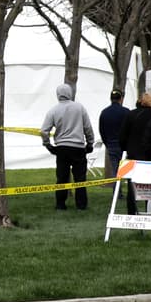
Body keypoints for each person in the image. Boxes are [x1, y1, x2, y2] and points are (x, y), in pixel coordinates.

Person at [39, 83, 95, 211]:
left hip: (62, 148)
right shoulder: (80, 108)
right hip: (78, 148)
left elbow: (43, 131)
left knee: (62, 178)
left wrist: (48, 145)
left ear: (58, 94)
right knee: (80, 178)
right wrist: (90, 143)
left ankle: (60, 204)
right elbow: (87, 127)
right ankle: (81, 205)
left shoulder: (53, 110)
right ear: (70, 93)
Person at [117, 92, 151, 213]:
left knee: (131, 185)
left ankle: (132, 210)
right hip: (149, 154)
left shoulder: (131, 114)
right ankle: (149, 210)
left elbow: (122, 136)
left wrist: (126, 149)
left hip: (133, 153)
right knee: (149, 185)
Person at [98, 89, 130, 179]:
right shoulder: (126, 112)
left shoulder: (104, 112)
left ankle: (116, 192)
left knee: (116, 171)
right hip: (124, 146)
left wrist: (107, 143)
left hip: (111, 145)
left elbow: (102, 130)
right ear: (121, 99)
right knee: (127, 171)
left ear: (111, 99)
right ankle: (127, 192)